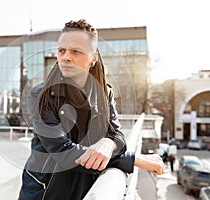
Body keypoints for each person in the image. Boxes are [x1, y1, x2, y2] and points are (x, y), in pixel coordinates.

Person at [18, 19, 164, 200]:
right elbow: (63, 153)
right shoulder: (41, 95)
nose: (66, 57)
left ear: (93, 57)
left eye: (76, 51)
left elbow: (117, 136)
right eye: (61, 50)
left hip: (86, 188)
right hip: (45, 193)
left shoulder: (104, 92)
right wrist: (132, 159)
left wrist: (108, 144)